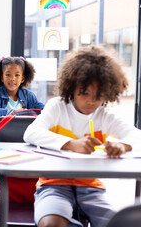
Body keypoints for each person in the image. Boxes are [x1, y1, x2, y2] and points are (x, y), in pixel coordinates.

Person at [24, 45, 141, 227]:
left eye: (98, 95)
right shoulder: (57, 106)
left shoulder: (104, 114)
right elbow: (31, 133)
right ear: (71, 87)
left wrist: (123, 146)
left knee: (119, 223)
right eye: (84, 93)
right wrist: (71, 143)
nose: (91, 101)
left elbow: (137, 137)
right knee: (50, 224)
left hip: (91, 187)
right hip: (54, 185)